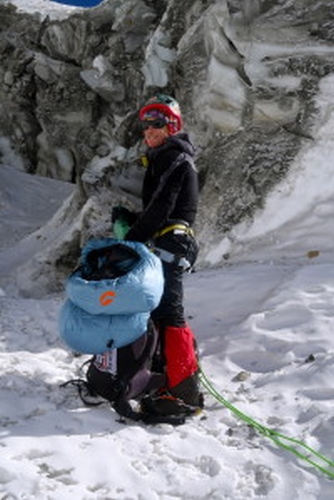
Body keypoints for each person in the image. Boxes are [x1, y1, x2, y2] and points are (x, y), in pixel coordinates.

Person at [112, 94, 204, 418]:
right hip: (170, 243)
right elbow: (162, 208)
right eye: (145, 124)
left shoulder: (174, 157)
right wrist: (135, 219)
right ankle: (176, 381)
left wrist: (131, 239)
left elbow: (164, 207)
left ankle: (182, 395)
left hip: (170, 244)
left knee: (169, 314)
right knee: (166, 313)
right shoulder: (166, 156)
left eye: (157, 123)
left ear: (173, 125)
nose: (148, 129)